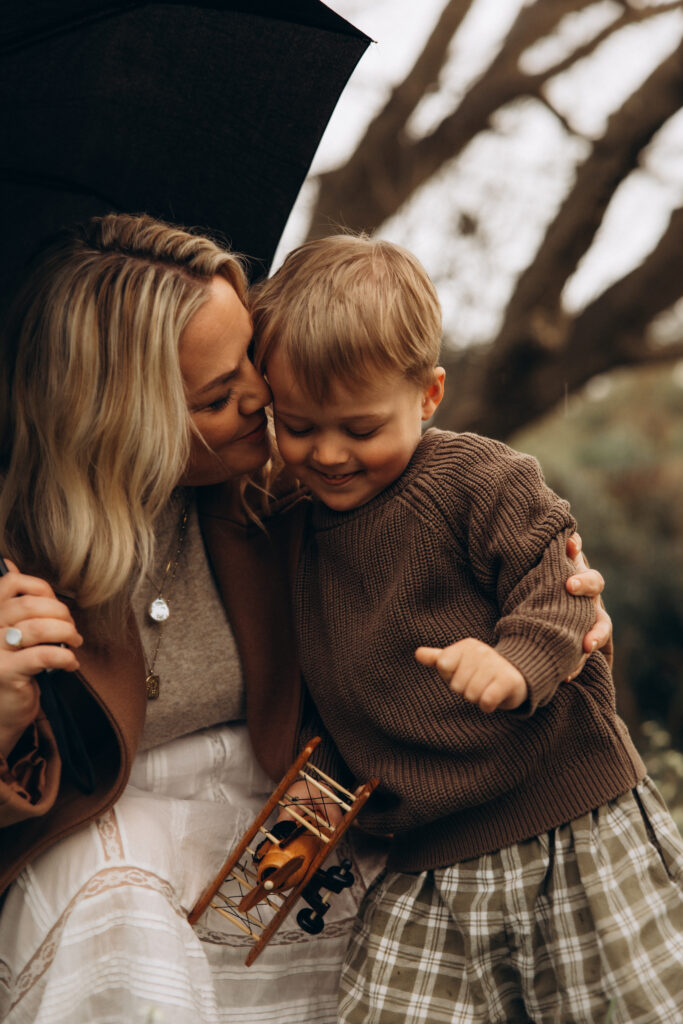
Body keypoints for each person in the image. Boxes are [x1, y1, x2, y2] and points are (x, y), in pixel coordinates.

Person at [0, 214, 609, 1024]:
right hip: (117, 870)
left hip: (302, 836)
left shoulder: (293, 495)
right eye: (219, 395)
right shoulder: (19, 556)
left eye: (250, 360)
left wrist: (548, 616)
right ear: (120, 414)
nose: (263, 399)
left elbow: (471, 542)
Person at [250, 233, 683, 1024]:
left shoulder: (478, 479)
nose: (329, 453)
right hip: (421, 859)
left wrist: (515, 664)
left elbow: (559, 584)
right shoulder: (289, 523)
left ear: (427, 395)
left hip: (562, 818)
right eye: (298, 426)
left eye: (358, 426)